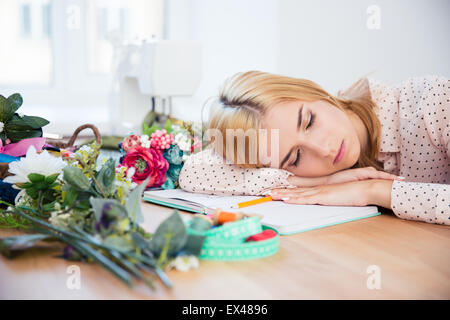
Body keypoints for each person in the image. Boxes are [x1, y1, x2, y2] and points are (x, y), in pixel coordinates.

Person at [179, 71, 449, 225]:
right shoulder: (320, 170)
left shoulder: (433, 102)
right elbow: (194, 172)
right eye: (295, 157)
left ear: (313, 91)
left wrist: (375, 190)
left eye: (309, 121)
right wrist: (319, 180)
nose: (323, 149)